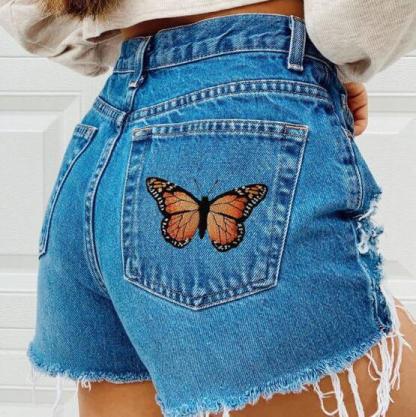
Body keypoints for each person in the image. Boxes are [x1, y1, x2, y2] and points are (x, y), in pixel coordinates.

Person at [1, 1, 416, 417]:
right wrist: (335, 66)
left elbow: (26, 16)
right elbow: (357, 21)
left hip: (103, 147)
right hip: (246, 114)